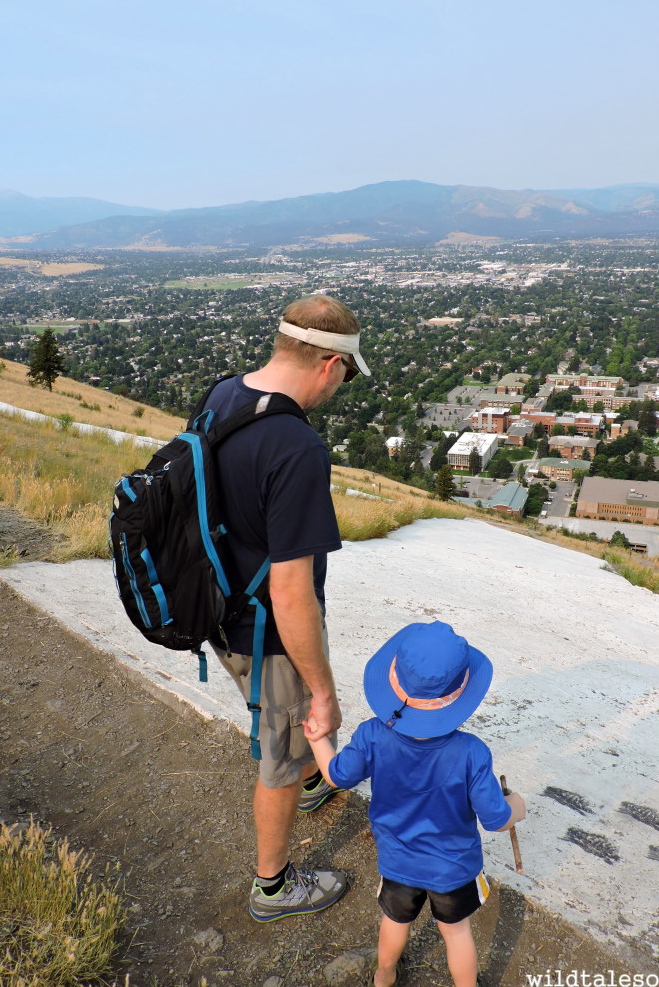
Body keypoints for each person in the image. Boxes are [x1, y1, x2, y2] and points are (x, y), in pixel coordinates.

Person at [201, 294, 370, 922]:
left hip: (219, 603)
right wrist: (323, 693)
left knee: (288, 731)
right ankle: (272, 885)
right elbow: (292, 592)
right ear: (329, 364)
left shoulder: (224, 396)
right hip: (264, 628)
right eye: (345, 376)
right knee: (284, 748)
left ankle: (311, 775)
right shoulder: (295, 448)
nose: (339, 388)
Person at [303, 621, 526, 987]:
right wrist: (517, 805)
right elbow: (496, 819)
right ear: (460, 695)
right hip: (453, 869)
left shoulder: (373, 735)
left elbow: (337, 776)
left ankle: (384, 976)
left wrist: (317, 738)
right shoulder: (471, 753)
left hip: (397, 862)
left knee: (395, 922)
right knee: (456, 933)